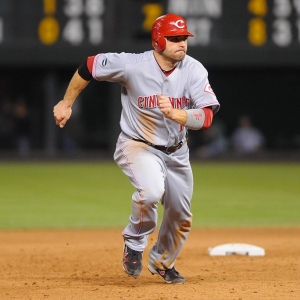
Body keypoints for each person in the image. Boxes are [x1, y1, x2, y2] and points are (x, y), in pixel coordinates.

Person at [53, 14, 220, 284]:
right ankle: (134, 242)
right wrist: (66, 102)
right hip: (137, 145)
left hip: (177, 151)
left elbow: (207, 117)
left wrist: (178, 115)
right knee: (151, 190)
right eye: (174, 38)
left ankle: (162, 262)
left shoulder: (194, 69)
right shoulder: (132, 64)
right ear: (157, 40)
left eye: (184, 38)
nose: (182, 44)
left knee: (180, 216)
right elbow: (89, 65)